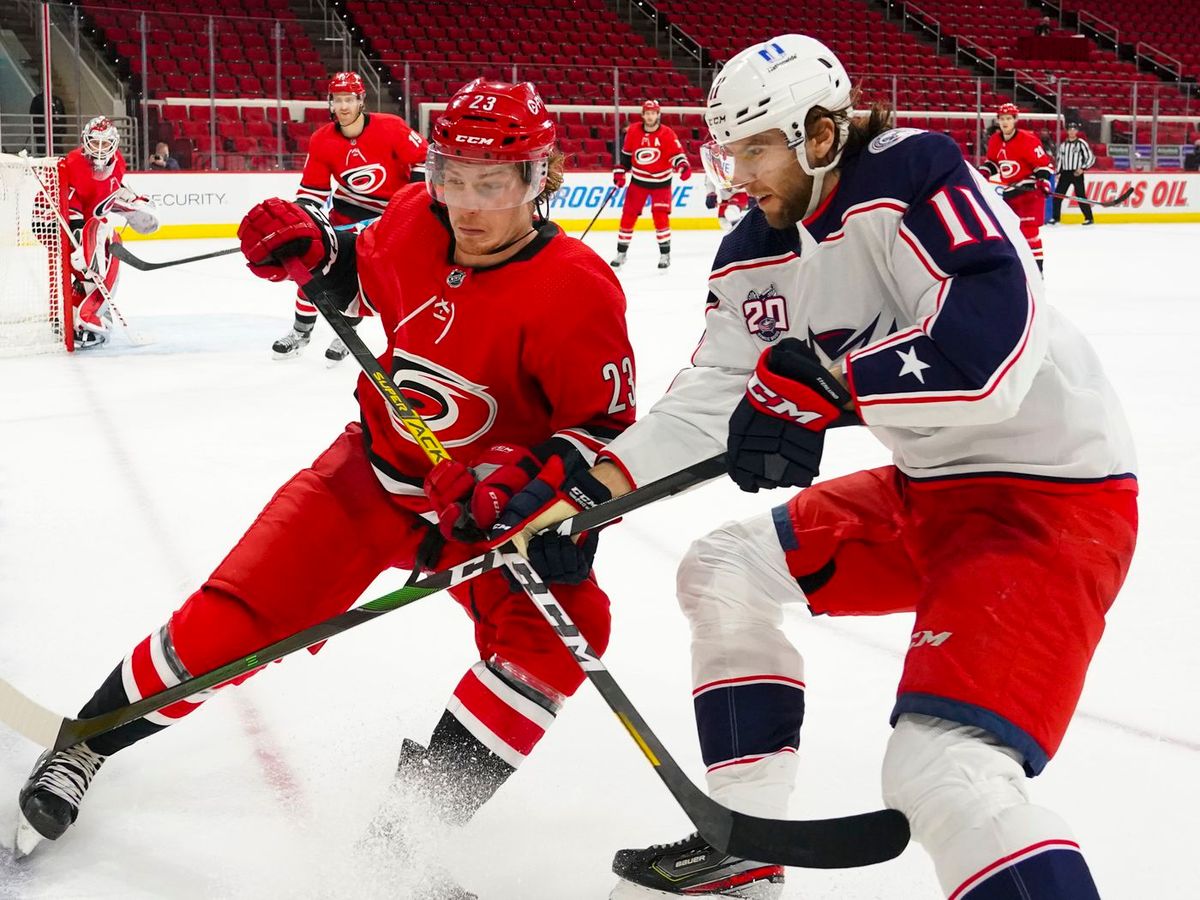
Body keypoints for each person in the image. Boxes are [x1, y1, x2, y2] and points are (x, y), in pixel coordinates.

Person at [498, 33, 1137, 900]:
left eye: (757, 148)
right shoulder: (750, 252)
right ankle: (742, 850)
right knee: (723, 569)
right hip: (925, 492)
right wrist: (585, 498)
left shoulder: (916, 173)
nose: (738, 174)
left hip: (1048, 503)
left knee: (941, 771)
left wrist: (832, 386)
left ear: (822, 132)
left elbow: (993, 361)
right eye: (729, 151)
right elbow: (707, 400)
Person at [15, 79, 636, 898]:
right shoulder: (417, 217)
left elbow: (603, 431)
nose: (468, 203)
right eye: (453, 174)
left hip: (482, 513)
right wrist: (312, 249)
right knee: (230, 621)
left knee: (563, 628)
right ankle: (84, 742)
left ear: (539, 176)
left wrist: (539, 500)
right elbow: (352, 272)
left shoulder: (578, 289)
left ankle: (407, 831)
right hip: (371, 479)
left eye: (495, 181)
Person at [273, 71, 428, 363]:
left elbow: (424, 157)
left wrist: (408, 203)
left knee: (361, 278)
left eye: (349, 99)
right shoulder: (322, 140)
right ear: (330, 103)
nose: (343, 106)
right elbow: (313, 190)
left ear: (361, 101)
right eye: (338, 100)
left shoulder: (391, 127)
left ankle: (347, 334)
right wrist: (301, 219)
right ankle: (300, 332)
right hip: (345, 211)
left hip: (391, 214)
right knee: (313, 269)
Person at [62, 116, 160, 348]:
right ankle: (88, 316)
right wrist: (77, 236)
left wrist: (132, 201)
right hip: (65, 225)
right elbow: (72, 201)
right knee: (97, 250)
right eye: (94, 143)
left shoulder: (118, 163)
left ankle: (83, 313)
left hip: (92, 225)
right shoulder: (74, 163)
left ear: (114, 145)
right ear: (85, 142)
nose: (99, 149)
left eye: (105, 144)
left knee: (105, 249)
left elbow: (111, 189)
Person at [610, 99, 690, 270]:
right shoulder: (633, 131)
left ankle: (664, 255)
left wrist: (682, 166)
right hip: (638, 181)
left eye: (653, 113)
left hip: (661, 183)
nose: (650, 116)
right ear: (643, 114)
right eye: (647, 113)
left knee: (660, 217)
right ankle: (621, 253)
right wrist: (620, 171)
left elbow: (677, 155)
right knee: (628, 216)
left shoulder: (667, 134)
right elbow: (626, 155)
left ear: (658, 114)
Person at [980, 102, 1054, 270]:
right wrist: (984, 172)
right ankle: (1019, 267)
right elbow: (993, 163)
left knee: (1030, 233)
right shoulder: (995, 140)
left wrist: (1042, 180)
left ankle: (1037, 270)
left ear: (1015, 120)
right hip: (1010, 194)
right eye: (1002, 119)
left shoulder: (1028, 140)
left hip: (1029, 194)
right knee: (1010, 232)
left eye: (1008, 118)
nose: (1005, 122)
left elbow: (1043, 165)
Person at [1052, 122, 1096, 225]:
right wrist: (1058, 172)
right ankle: (1056, 218)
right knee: (1058, 196)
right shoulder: (1063, 145)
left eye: (1074, 129)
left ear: (1077, 131)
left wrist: (1083, 168)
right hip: (1065, 174)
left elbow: (1091, 157)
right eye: (1070, 129)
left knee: (1080, 196)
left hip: (1077, 173)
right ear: (1067, 131)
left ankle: (1089, 218)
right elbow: (1059, 160)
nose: (1072, 131)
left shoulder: (1081, 143)